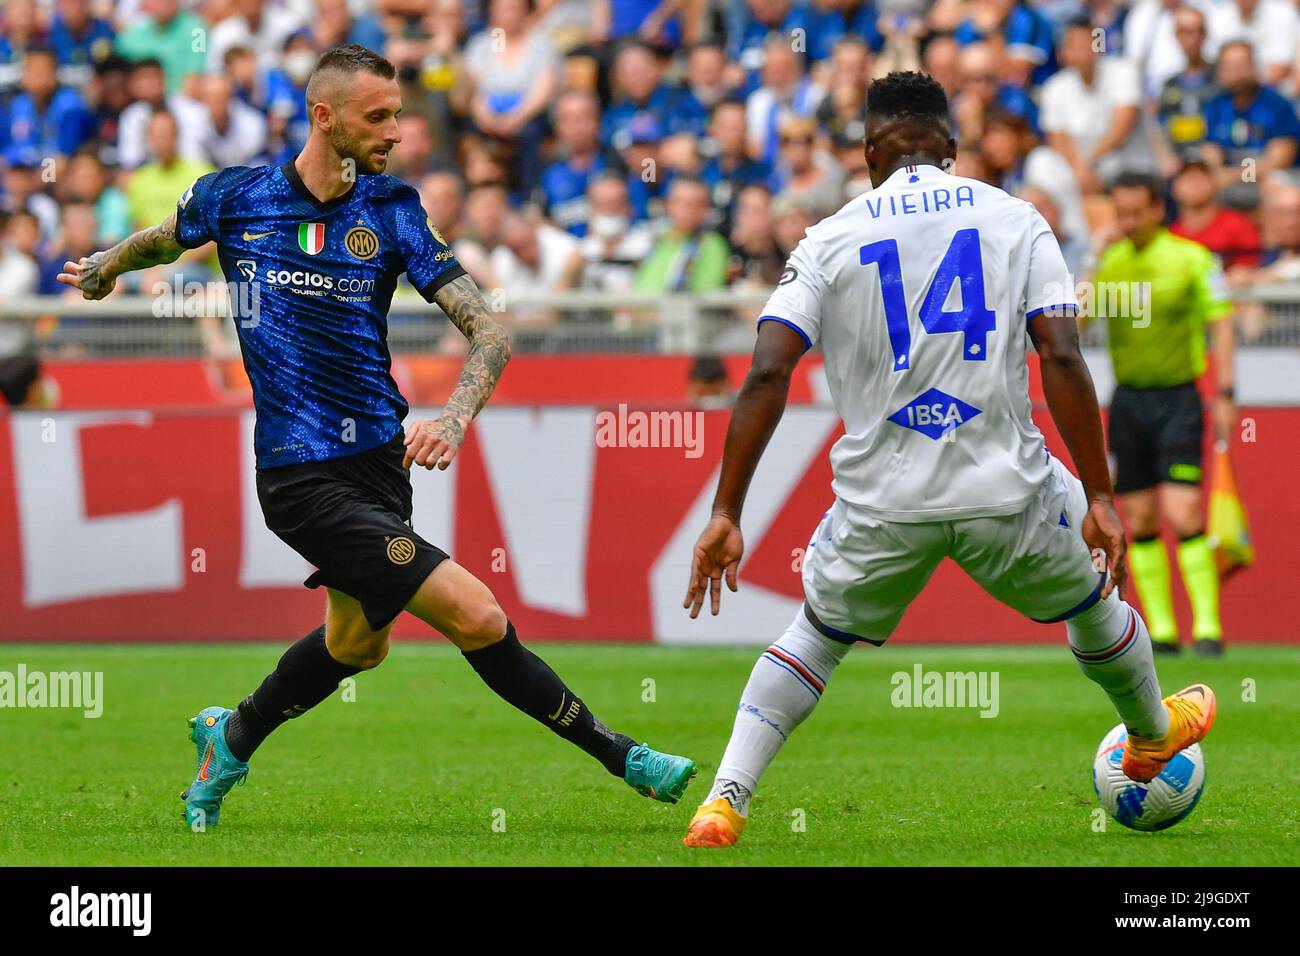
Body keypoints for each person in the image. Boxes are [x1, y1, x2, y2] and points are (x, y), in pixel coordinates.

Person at [56, 43, 696, 830]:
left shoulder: (392, 209)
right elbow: (164, 236)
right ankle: (624, 755)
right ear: (325, 117)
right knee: (478, 615)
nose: (397, 131)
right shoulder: (236, 197)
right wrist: (108, 267)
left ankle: (231, 734)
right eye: (379, 116)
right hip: (299, 477)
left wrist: (457, 415)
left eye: (397, 114)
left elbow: (489, 329)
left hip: (380, 469)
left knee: (359, 649)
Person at [678, 72, 1215, 848]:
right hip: (1008, 490)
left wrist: (726, 511)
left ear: (868, 152)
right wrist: (1100, 494)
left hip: (881, 503)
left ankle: (724, 800)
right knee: (1095, 602)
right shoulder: (1016, 218)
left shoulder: (829, 238)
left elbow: (766, 371)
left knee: (816, 639)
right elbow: (1059, 354)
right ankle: (1151, 727)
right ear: (953, 149)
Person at [1089, 172, 1236, 656]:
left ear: (1158, 210)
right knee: (1139, 515)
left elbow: (1222, 322)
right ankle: (1165, 632)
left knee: (1184, 510)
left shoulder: (1191, 258)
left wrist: (1227, 391)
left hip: (1179, 399)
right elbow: (1082, 319)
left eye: (1136, 212)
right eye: (1121, 212)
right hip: (1129, 400)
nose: (1128, 221)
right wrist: (1093, 260)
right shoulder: (1111, 262)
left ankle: (1210, 628)